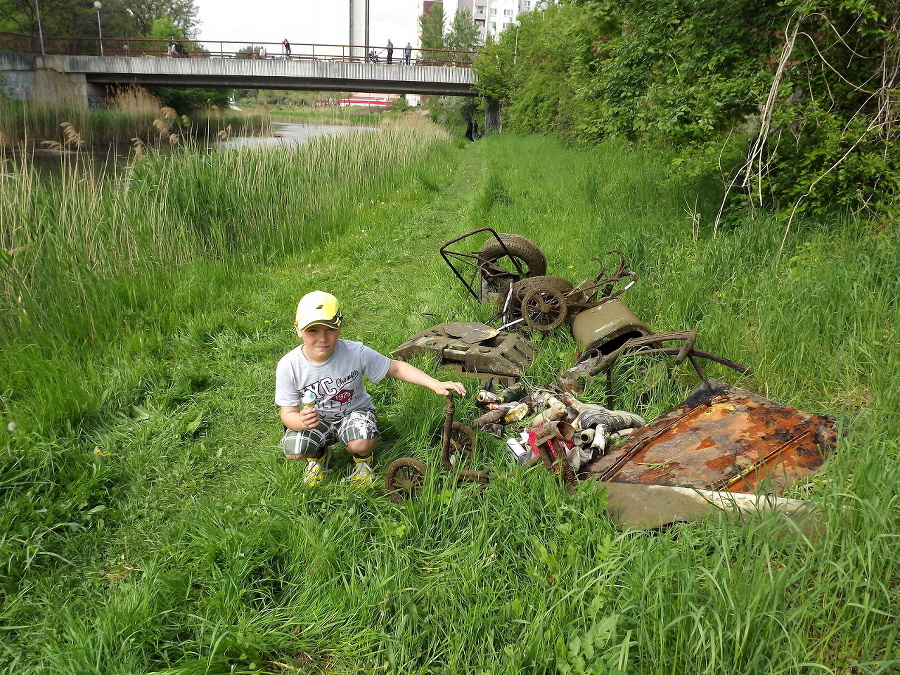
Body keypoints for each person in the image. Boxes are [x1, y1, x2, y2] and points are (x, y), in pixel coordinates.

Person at [275, 291, 467, 487]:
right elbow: (287, 413)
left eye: (329, 329)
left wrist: (435, 383)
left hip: (354, 413)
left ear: (340, 327)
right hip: (318, 421)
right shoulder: (288, 365)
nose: (322, 338)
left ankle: (362, 460)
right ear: (298, 329)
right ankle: (318, 456)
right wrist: (301, 421)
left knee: (361, 441)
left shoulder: (354, 353)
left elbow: (396, 367)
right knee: (294, 449)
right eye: (312, 330)